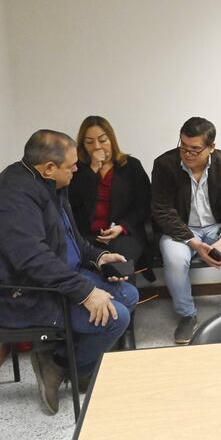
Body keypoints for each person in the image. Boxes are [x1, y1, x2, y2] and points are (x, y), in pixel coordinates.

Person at [0, 130, 138, 414]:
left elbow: (71, 238)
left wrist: (99, 256)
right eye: (72, 165)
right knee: (116, 318)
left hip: (62, 276)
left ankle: (63, 360)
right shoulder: (14, 195)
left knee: (129, 294)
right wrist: (85, 292)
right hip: (29, 292)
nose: (78, 168)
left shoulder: (53, 183)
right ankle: (61, 367)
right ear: (49, 168)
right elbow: (32, 258)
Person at [151, 117, 221, 344]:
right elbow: (162, 209)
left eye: (195, 150)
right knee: (175, 258)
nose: (187, 154)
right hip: (180, 228)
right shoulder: (164, 164)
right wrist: (191, 241)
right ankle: (188, 315)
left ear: (211, 148)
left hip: (218, 225)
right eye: (183, 147)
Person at [68, 116, 152, 278]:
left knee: (121, 264)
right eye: (89, 142)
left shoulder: (131, 166)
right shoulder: (75, 170)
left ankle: (126, 301)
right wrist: (92, 170)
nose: (97, 147)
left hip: (124, 231)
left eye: (103, 140)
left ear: (111, 140)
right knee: (87, 265)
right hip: (87, 234)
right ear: (82, 146)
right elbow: (73, 203)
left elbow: (143, 205)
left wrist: (121, 227)